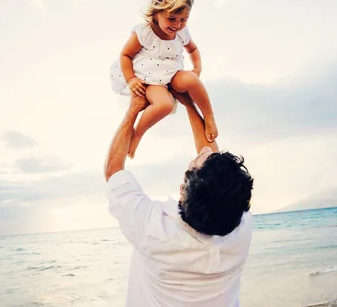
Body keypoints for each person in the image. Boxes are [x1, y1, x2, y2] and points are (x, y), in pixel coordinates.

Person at [104, 89, 254, 307]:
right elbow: (215, 173)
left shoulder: (152, 228)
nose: (203, 149)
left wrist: (134, 108)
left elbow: (113, 170)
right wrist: (189, 103)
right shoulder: (241, 228)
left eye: (196, 161)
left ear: (182, 190)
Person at [110, 0, 218, 158]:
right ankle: (137, 134)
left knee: (192, 80)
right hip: (150, 79)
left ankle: (209, 116)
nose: (177, 25)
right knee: (165, 105)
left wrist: (197, 68)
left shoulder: (182, 32)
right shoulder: (145, 33)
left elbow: (193, 49)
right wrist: (131, 79)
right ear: (156, 13)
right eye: (171, 18)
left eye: (183, 19)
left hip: (172, 73)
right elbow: (125, 55)